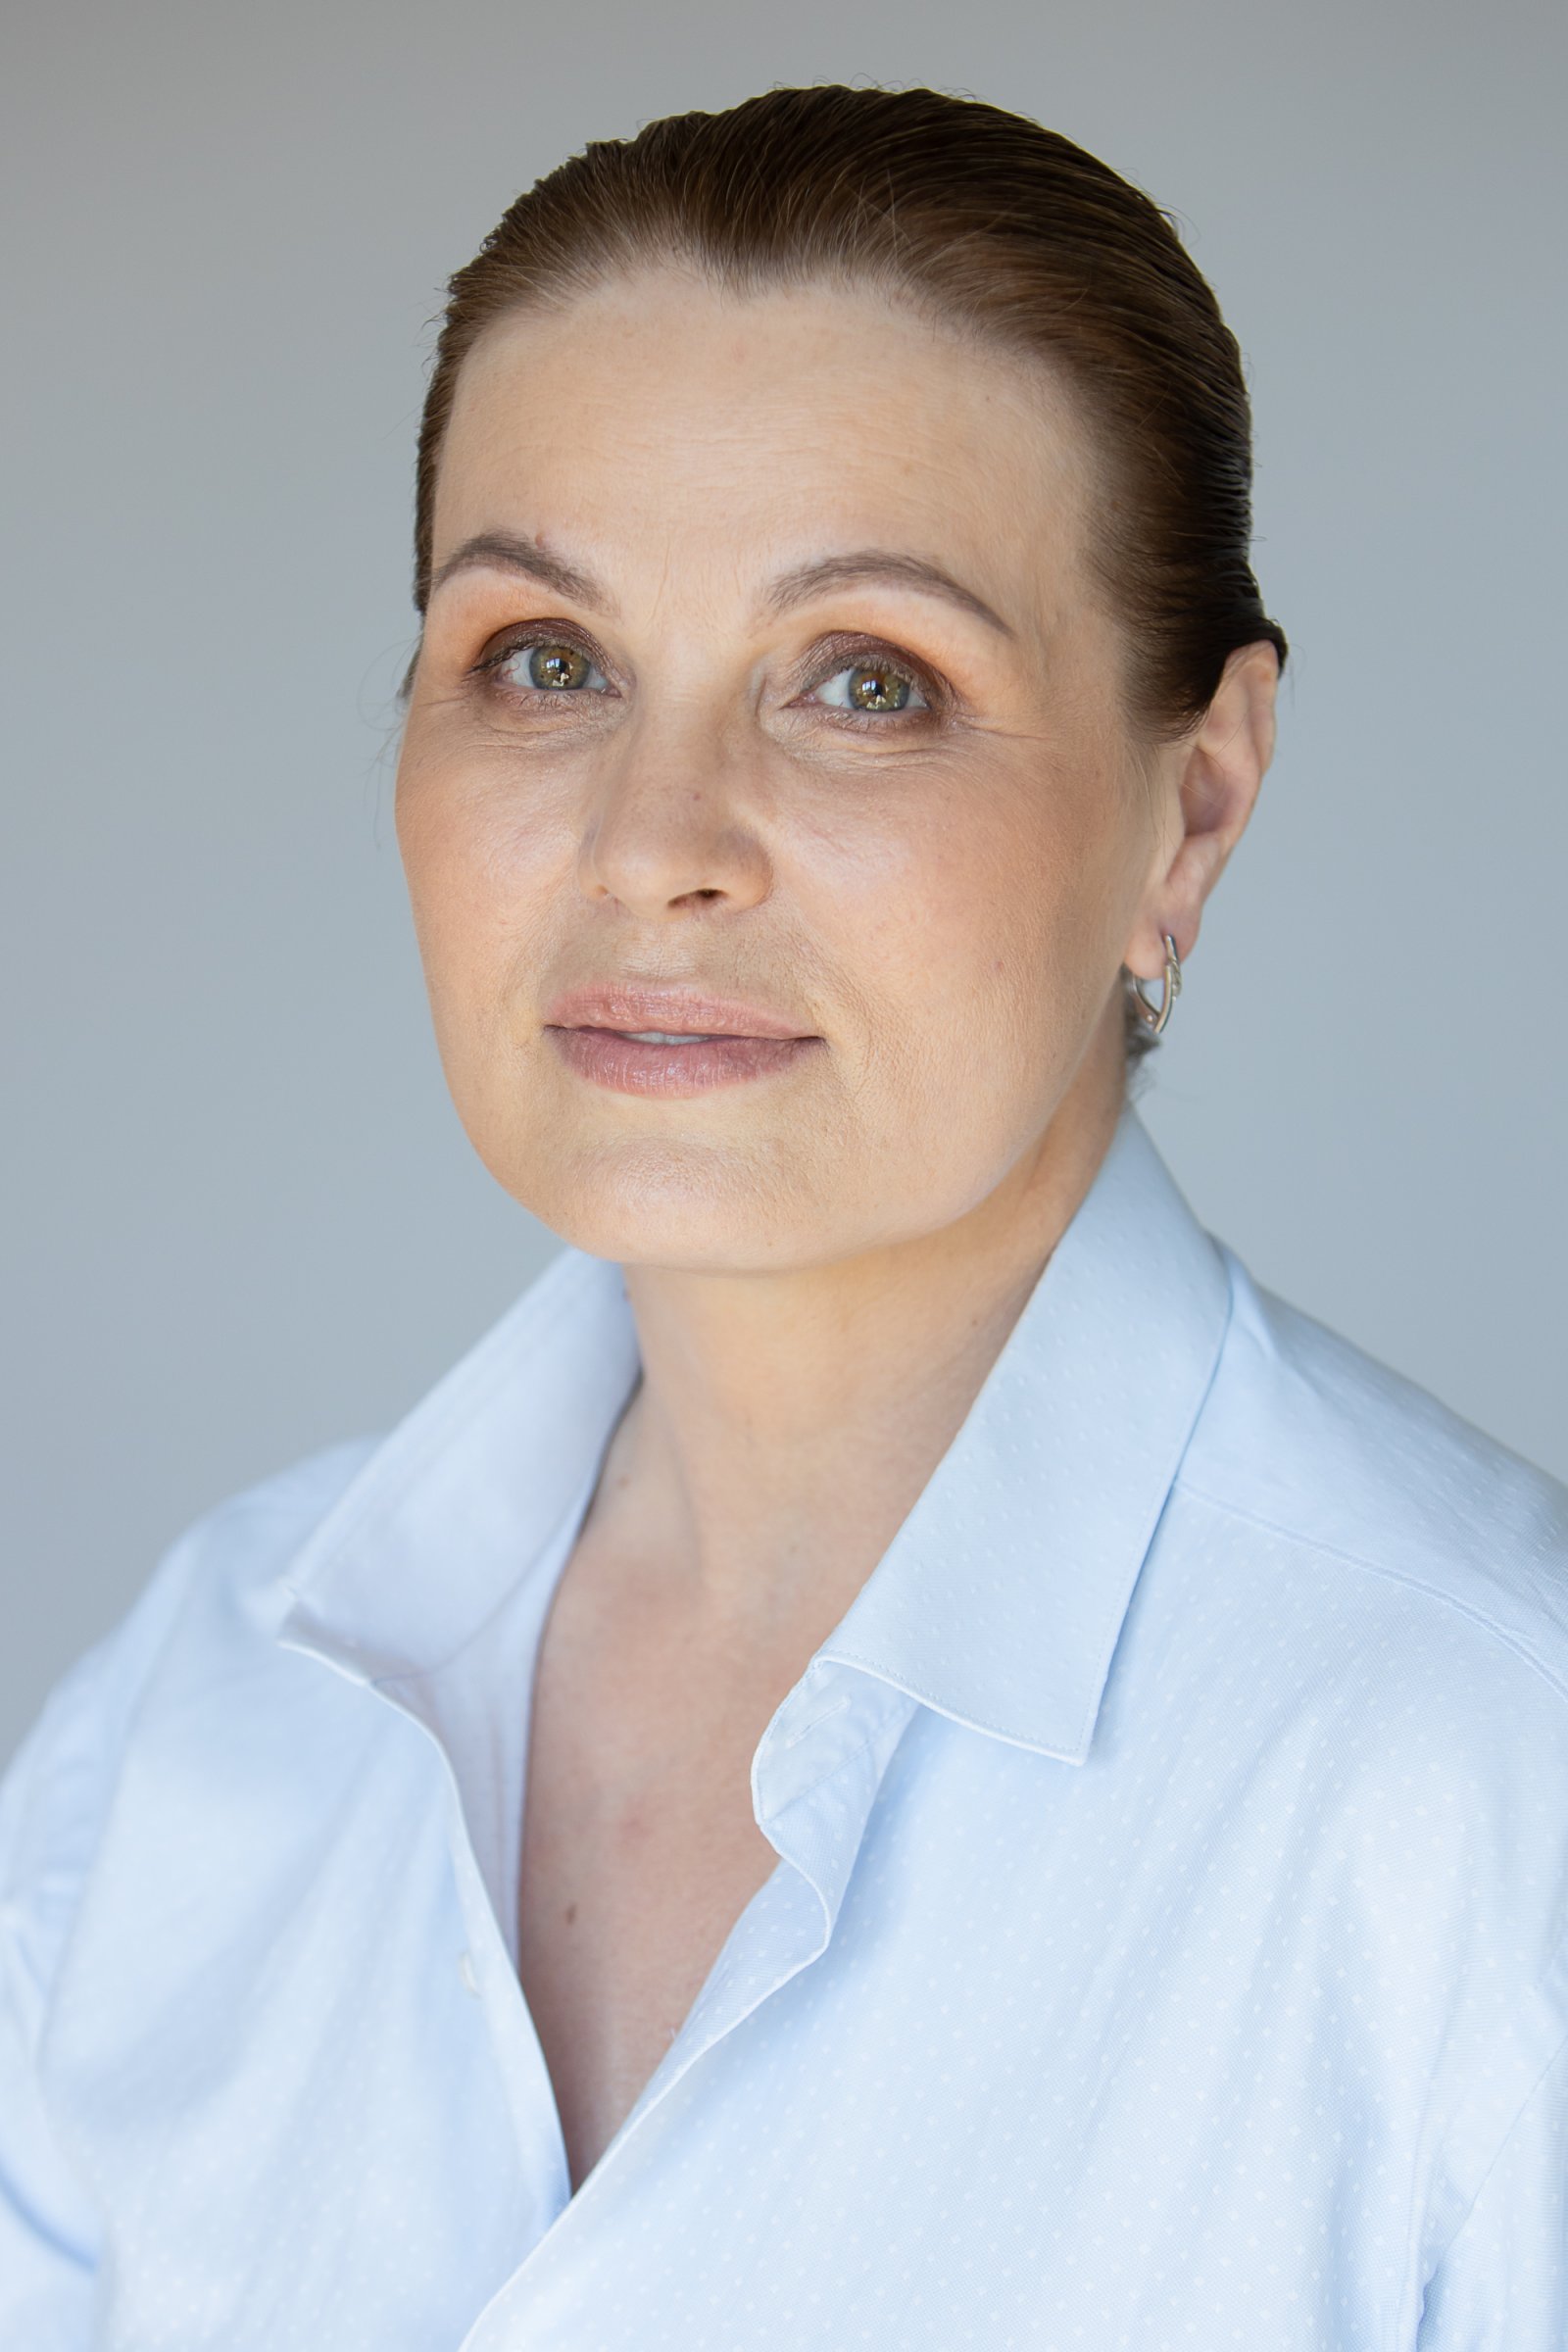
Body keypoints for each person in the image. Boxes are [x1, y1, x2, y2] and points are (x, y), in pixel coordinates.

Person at [2, 82, 1563, 2351]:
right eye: (545, 658)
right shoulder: (196, 1714)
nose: (654, 842)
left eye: (864, 683)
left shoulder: (1496, 1795)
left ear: (1192, 806)